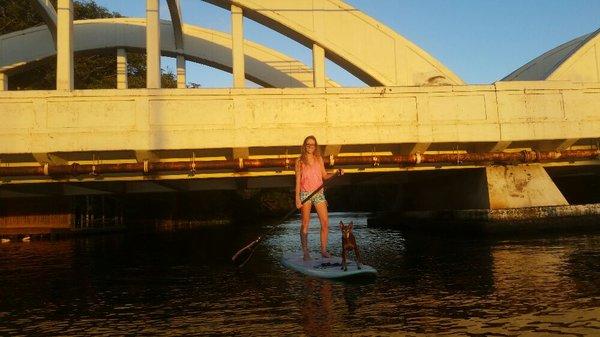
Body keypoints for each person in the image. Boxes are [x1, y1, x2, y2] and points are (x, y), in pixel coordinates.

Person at [295, 135, 342, 260]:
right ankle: (305, 252)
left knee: (325, 223)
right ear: (304, 145)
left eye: (313, 144)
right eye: (308, 144)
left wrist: (336, 173)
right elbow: (298, 181)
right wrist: (297, 198)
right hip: (305, 194)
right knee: (305, 224)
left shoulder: (319, 159)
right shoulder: (299, 161)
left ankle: (323, 251)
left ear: (315, 147)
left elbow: (325, 176)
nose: (310, 146)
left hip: (319, 194)